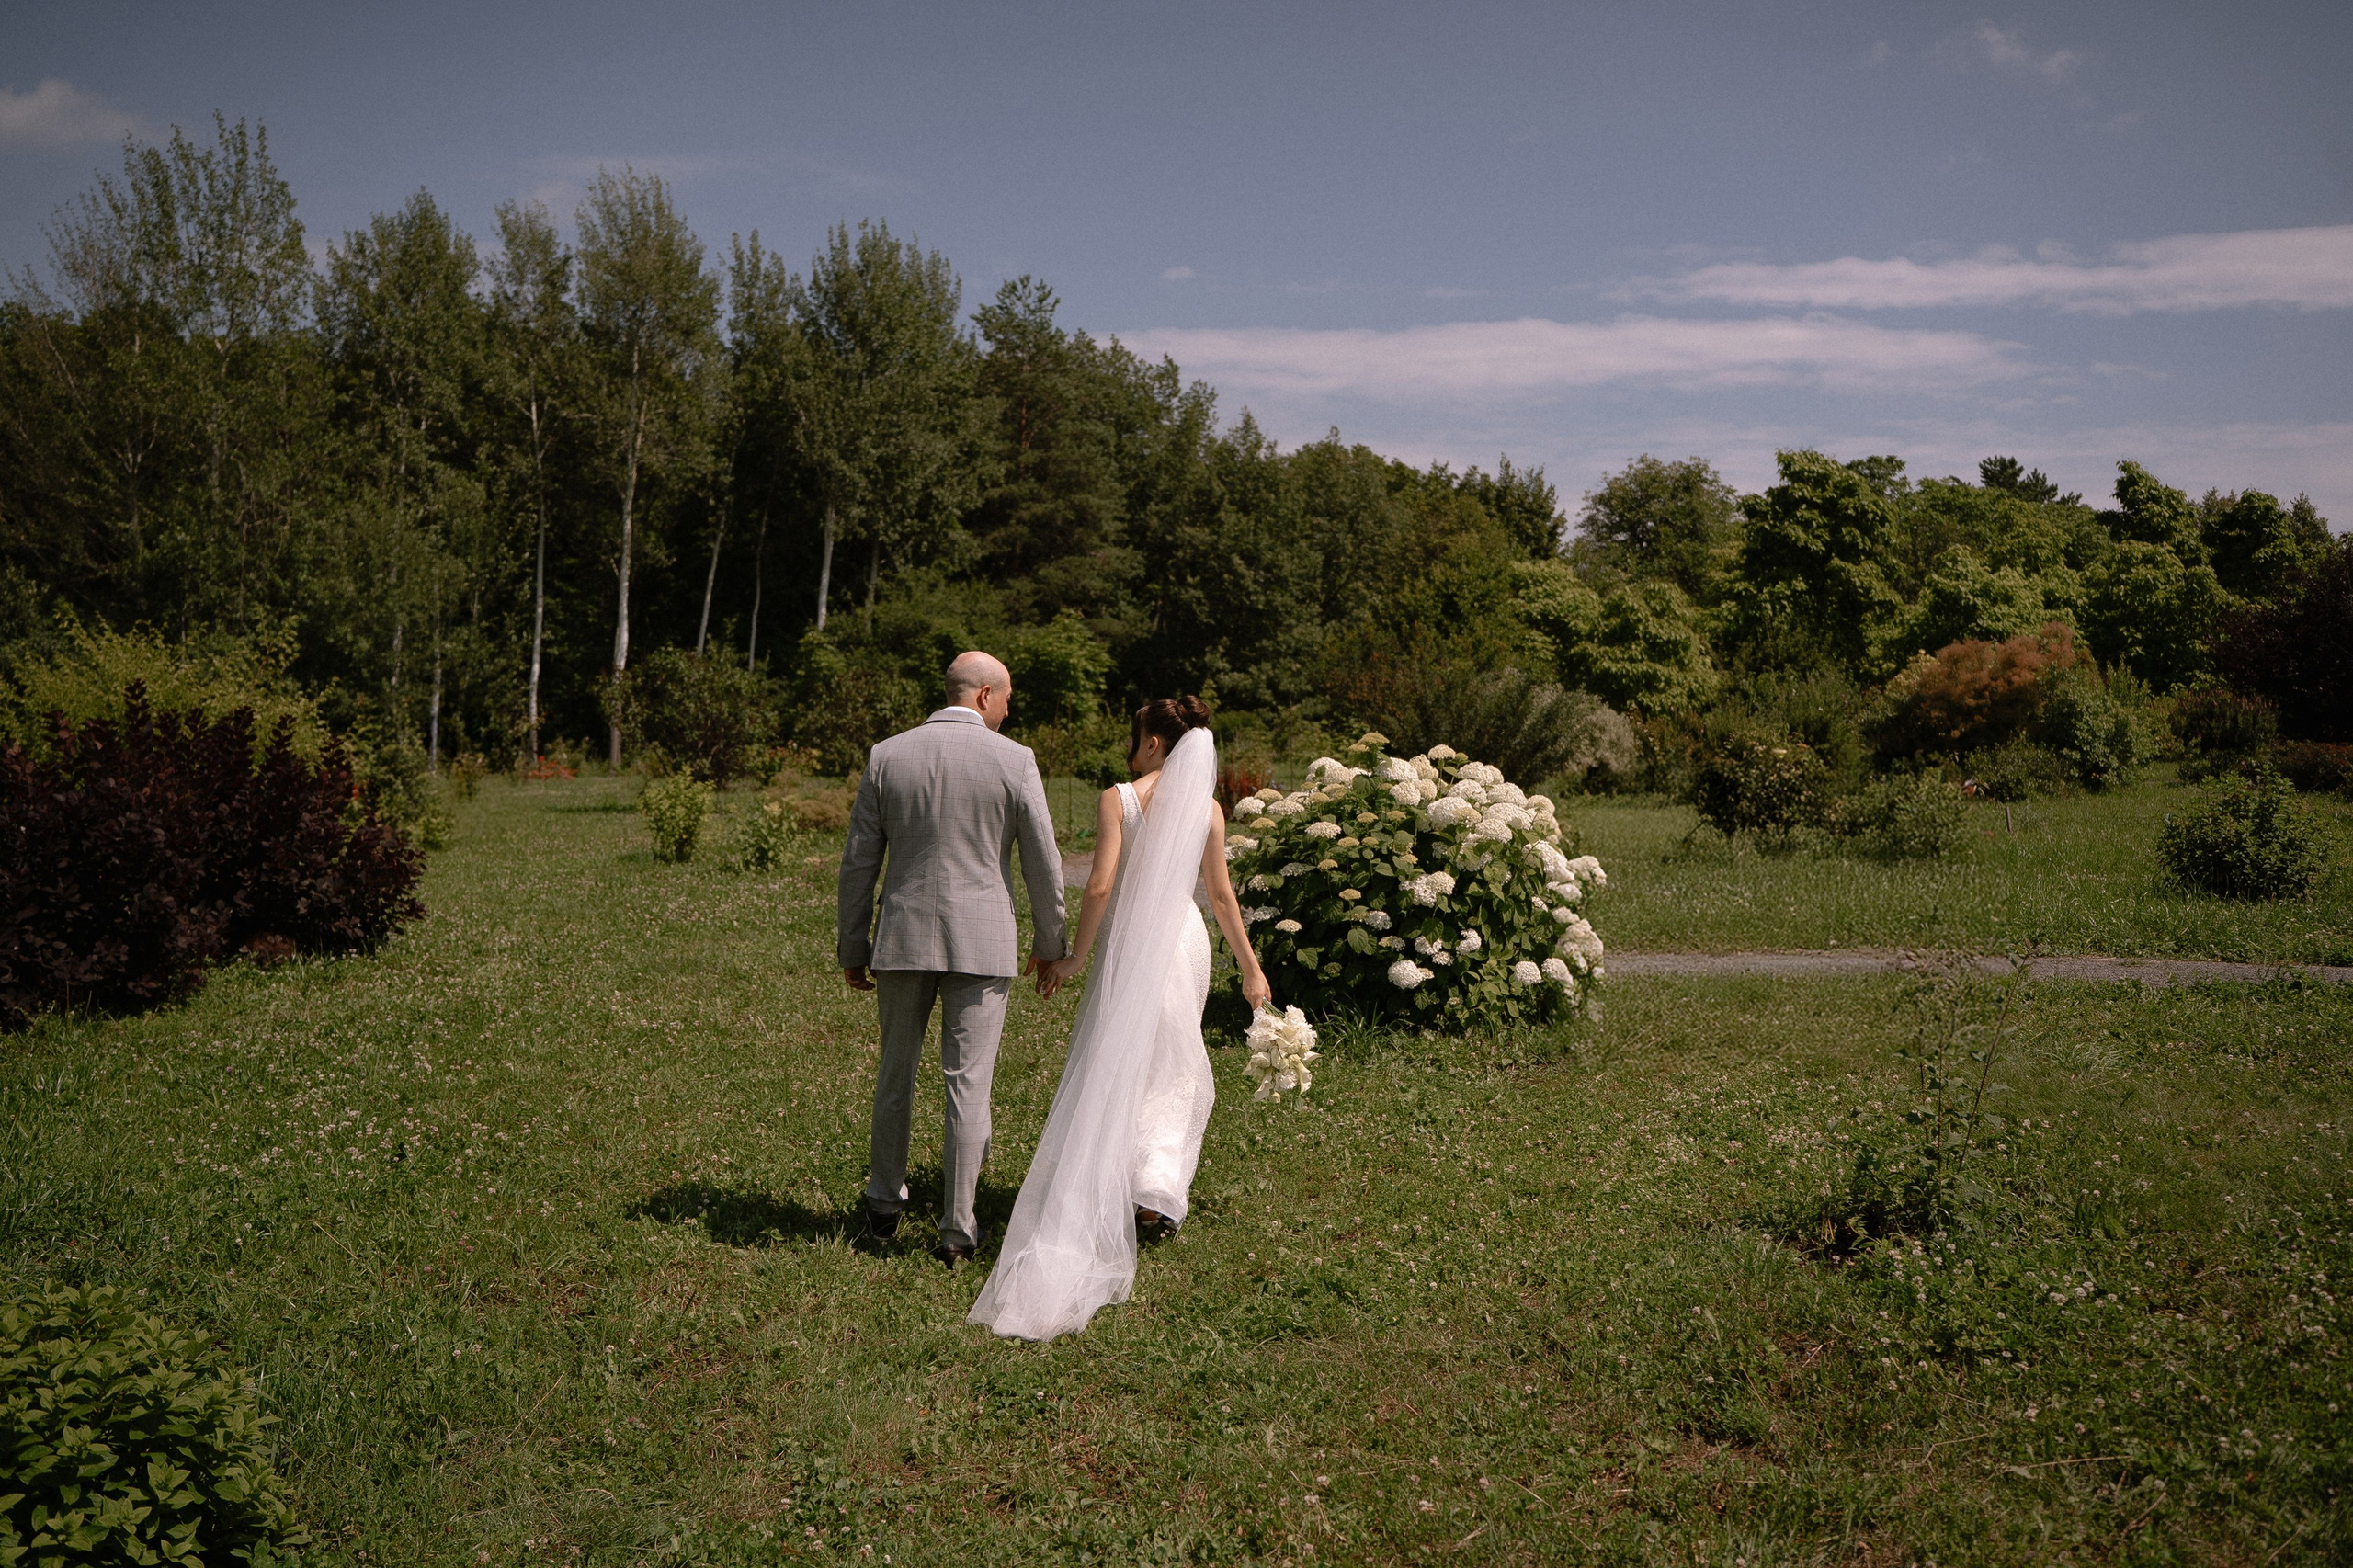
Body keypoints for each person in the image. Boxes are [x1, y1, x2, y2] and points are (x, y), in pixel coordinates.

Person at [967, 697, 1272, 1342]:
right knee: (1173, 1060)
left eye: (1136, 737)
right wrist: (1250, 966)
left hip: (1135, 945)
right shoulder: (1208, 810)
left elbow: (1100, 885)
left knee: (1121, 1061)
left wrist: (1074, 957)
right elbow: (1219, 895)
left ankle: (1133, 1185)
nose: (1130, 747)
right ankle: (1155, 1188)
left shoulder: (1119, 799)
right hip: (1184, 943)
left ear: (1156, 744)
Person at [836, 650, 1067, 1267]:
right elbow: (1044, 865)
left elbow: (860, 862)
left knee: (895, 1073)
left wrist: (852, 944)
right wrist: (1052, 945)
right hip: (983, 940)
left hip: (903, 938)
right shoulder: (1015, 761)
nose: (1011, 708)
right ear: (986, 695)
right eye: (1010, 697)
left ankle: (883, 1206)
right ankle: (957, 1231)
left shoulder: (889, 755)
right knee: (969, 1085)